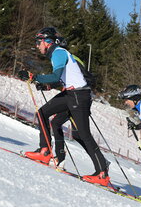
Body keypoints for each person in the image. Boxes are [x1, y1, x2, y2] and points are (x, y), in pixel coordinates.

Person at [18, 27, 110, 186]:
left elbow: (55, 76)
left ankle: (102, 172)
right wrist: (46, 85)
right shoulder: (57, 53)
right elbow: (63, 79)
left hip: (78, 96)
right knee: (42, 113)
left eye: (38, 42)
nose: (37, 46)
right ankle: (44, 151)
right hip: (71, 94)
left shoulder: (58, 53)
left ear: (47, 42)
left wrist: (35, 77)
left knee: (83, 134)